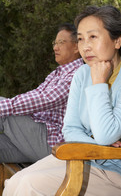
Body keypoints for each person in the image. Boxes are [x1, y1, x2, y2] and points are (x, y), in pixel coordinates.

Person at [3, 5, 121, 196]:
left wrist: (99, 83)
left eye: (93, 37)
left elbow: (105, 134)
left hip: (116, 173)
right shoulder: (82, 74)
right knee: (15, 182)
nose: (85, 46)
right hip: (80, 158)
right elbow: (70, 129)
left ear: (117, 41)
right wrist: (100, 144)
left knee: (28, 185)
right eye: (81, 38)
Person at [0, 23, 83, 163]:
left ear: (76, 46)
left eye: (61, 43)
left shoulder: (79, 74)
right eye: (55, 43)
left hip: (53, 145)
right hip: (33, 141)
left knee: (6, 111)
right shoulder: (57, 73)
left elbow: (47, 99)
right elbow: (35, 94)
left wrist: (6, 105)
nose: (55, 47)